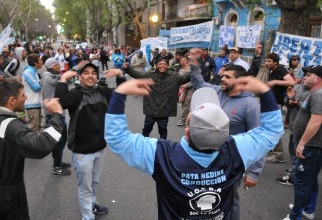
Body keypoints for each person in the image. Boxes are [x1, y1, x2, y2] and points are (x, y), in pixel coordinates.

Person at [104, 75, 283, 219]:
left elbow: (116, 137)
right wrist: (265, 92)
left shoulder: (162, 155)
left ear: (187, 130)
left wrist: (119, 94)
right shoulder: (236, 151)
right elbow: (272, 131)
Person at [0, 78, 64, 220]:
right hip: (6, 195)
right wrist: (57, 115)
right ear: (12, 101)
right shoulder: (11, 126)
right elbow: (42, 145)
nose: (26, 98)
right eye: (23, 95)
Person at [188, 48, 262, 220]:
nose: (222, 78)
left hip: (232, 161)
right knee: (208, 194)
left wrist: (254, 172)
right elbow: (199, 83)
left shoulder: (251, 105)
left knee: (229, 197)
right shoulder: (217, 91)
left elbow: (258, 139)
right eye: (223, 75)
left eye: (227, 77)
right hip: (208, 156)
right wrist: (193, 63)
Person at [54, 62, 126, 220]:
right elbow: (62, 102)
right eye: (86, 73)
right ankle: (87, 216)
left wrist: (120, 75)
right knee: (85, 188)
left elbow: (120, 94)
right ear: (79, 77)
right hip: (81, 151)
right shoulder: (76, 94)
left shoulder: (103, 91)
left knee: (94, 183)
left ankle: (92, 205)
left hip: (99, 147)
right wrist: (63, 79)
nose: (91, 75)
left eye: (93, 72)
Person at [122, 58, 196, 139]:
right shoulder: (150, 74)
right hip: (150, 110)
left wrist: (196, 68)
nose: (162, 66)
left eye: (164, 64)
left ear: (167, 65)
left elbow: (186, 77)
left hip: (164, 111)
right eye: (160, 64)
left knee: (163, 132)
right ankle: (143, 147)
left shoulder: (174, 76)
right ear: (157, 65)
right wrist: (127, 68)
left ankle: (162, 148)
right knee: (146, 131)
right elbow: (138, 75)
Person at [283, 66, 322, 220]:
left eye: (309, 75)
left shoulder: (319, 95)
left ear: (318, 79)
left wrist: (302, 143)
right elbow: (306, 114)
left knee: (301, 181)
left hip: (312, 146)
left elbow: (316, 121)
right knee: (310, 179)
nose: (304, 77)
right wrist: (293, 99)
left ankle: (295, 216)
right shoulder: (313, 94)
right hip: (312, 146)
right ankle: (308, 209)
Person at [41, 58, 71, 176]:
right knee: (59, 140)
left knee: (60, 140)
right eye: (58, 65)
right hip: (54, 113)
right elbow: (61, 81)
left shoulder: (47, 76)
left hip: (54, 113)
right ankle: (57, 166)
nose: (60, 66)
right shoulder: (50, 78)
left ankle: (58, 161)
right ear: (52, 66)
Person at [276, 83, 309, 186]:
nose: (305, 77)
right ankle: (294, 170)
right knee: (292, 150)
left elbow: (308, 110)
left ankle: (294, 176)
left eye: (308, 75)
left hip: (305, 129)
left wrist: (297, 103)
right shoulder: (298, 87)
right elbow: (287, 103)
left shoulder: (316, 93)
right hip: (294, 126)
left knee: (300, 153)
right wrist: (290, 100)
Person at [265, 53, 295, 163]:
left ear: (275, 62)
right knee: (267, 127)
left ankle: (278, 154)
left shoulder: (280, 69)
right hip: (270, 102)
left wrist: (275, 82)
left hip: (275, 104)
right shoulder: (273, 70)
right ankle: (273, 149)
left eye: (269, 61)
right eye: (266, 61)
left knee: (273, 128)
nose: (266, 63)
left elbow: (291, 81)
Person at [22, 53, 43, 131]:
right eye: (40, 60)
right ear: (35, 63)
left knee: (38, 127)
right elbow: (36, 87)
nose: (42, 62)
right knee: (33, 129)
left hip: (36, 103)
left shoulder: (34, 71)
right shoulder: (28, 72)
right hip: (31, 103)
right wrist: (43, 81)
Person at [176, 57, 193, 126]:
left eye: (184, 60)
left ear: (187, 61)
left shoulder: (191, 70)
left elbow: (194, 80)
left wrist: (187, 85)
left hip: (190, 89)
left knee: (186, 104)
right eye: (181, 60)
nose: (183, 61)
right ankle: (188, 118)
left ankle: (183, 119)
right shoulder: (180, 70)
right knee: (183, 104)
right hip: (182, 89)